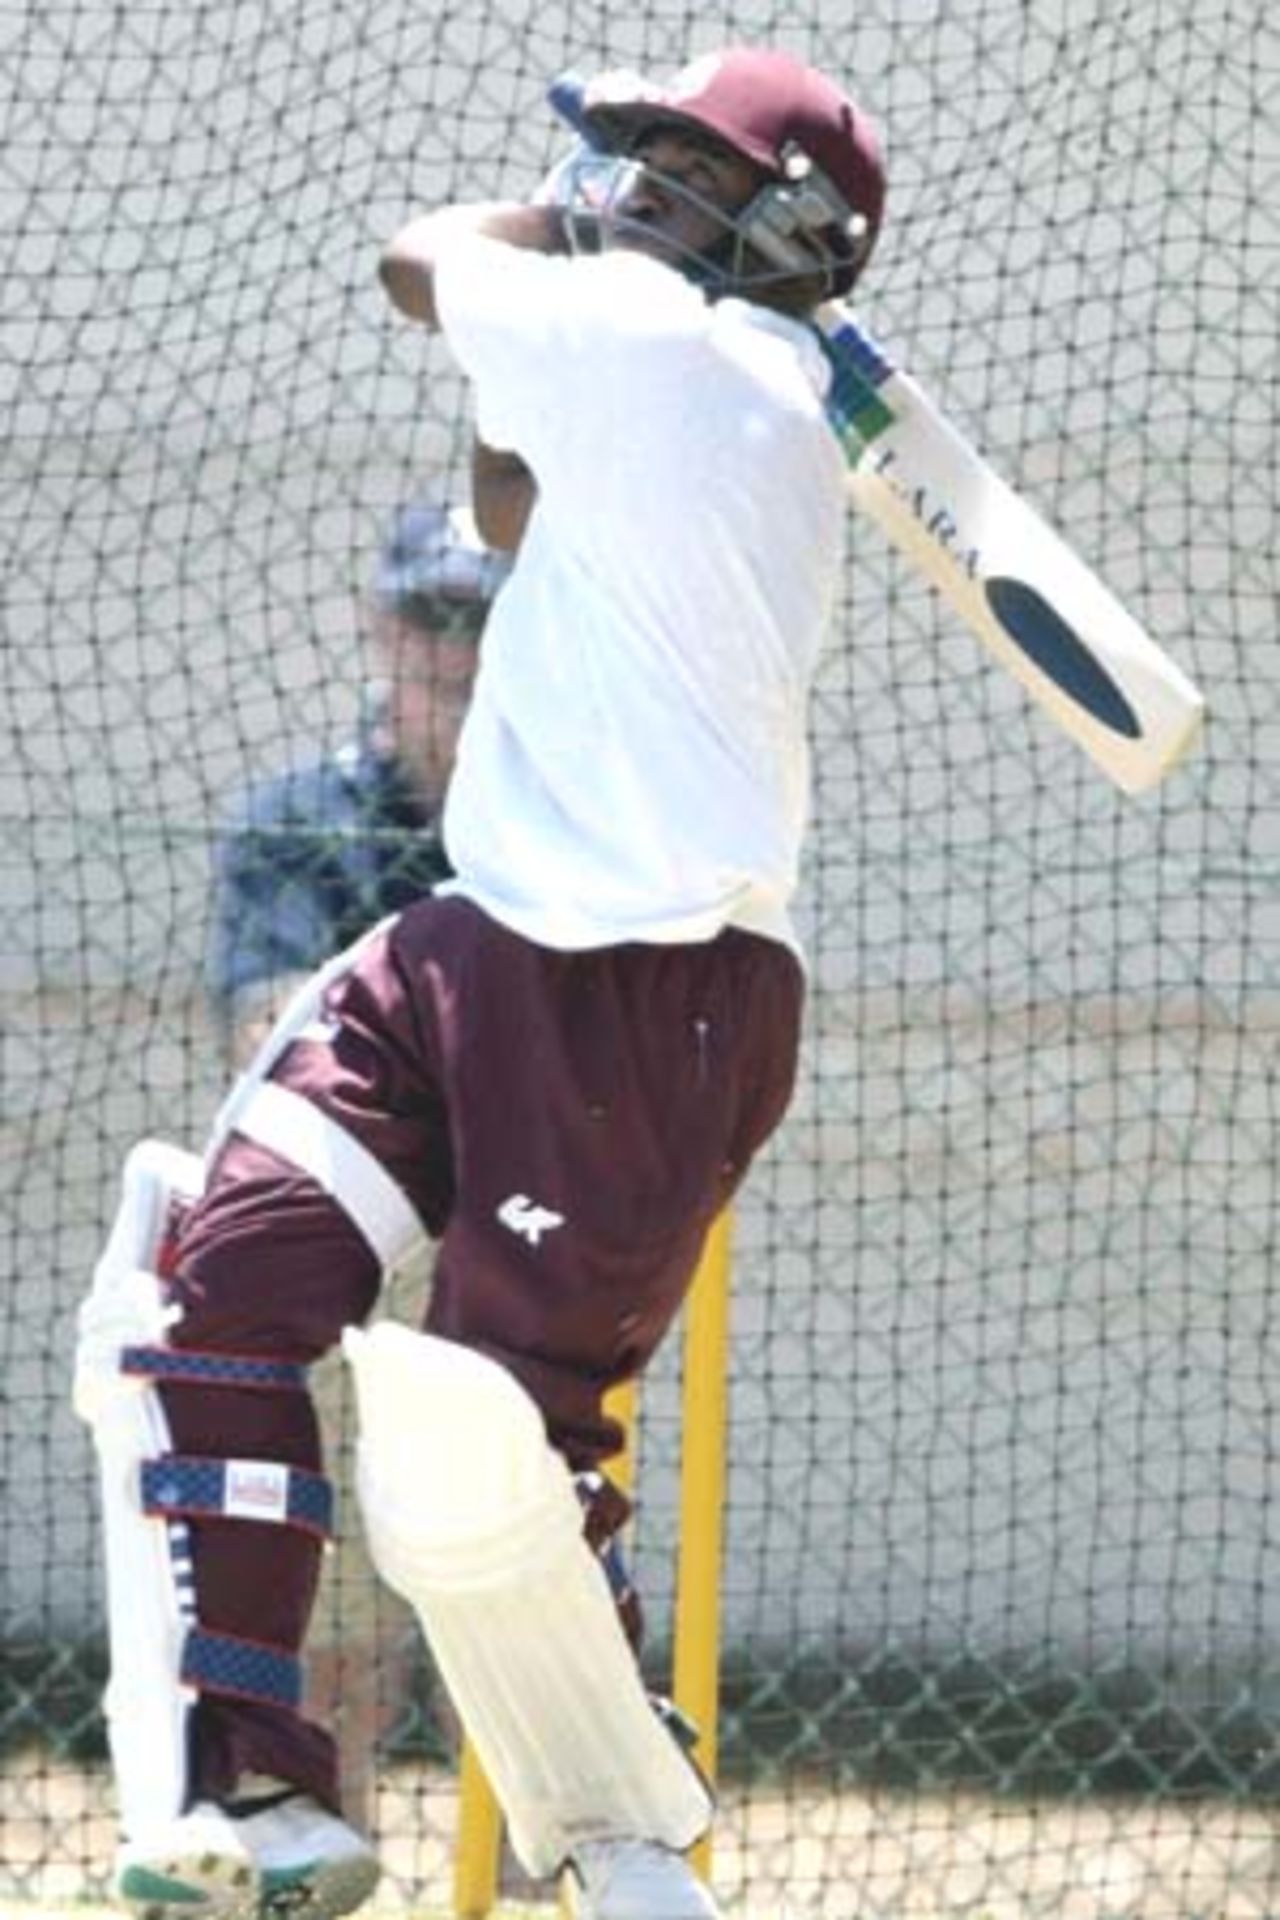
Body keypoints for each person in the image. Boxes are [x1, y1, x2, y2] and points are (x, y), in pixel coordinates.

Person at [73, 44, 886, 1920]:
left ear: (777, 233)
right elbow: (513, 511)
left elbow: (413, 252)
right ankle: (265, 1797)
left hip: (646, 990)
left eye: (682, 169)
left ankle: (622, 1828)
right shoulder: (691, 373)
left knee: (505, 1461)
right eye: (643, 162)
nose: (634, 192)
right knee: (236, 1276)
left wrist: (559, 215)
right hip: (476, 939)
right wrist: (626, 239)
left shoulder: (680, 356)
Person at [210, 501, 510, 1064]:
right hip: (352, 1134)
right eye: (432, 613)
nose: (457, 651)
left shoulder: (570, 819)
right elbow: (264, 1028)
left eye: (483, 618)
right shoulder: (293, 820)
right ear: (382, 625)